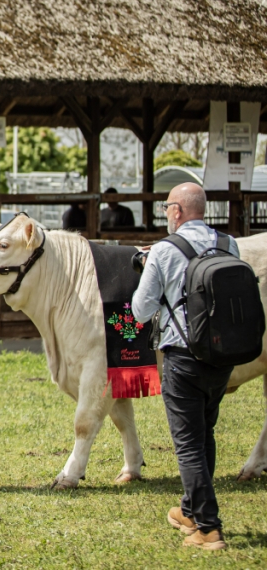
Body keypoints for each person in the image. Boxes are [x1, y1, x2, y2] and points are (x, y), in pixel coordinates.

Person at [131, 183, 236, 551]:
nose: (165, 215)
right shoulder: (228, 245)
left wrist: (150, 269)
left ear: (176, 211)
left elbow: (141, 311)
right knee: (205, 433)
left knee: (187, 443)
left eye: (166, 208)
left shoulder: (163, 250)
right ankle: (190, 511)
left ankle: (208, 528)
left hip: (183, 356)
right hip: (221, 356)